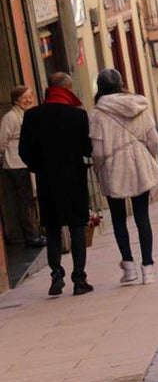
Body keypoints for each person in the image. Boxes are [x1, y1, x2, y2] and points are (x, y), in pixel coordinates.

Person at [19, 72, 93, 296]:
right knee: (77, 227)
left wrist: (38, 167)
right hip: (73, 178)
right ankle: (79, 279)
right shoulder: (78, 116)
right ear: (68, 88)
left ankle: (56, 274)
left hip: (47, 180)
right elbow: (86, 149)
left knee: (52, 229)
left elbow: (23, 150)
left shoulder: (32, 116)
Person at [90, 69, 158, 285]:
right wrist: (148, 159)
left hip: (114, 167)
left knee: (119, 219)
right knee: (143, 218)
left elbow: (98, 152)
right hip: (139, 162)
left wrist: (99, 169)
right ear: (122, 83)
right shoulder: (139, 105)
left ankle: (129, 267)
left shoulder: (97, 113)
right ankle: (148, 268)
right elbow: (154, 140)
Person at [0, 86, 45, 247]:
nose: (28, 100)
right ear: (15, 100)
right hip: (15, 164)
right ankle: (31, 236)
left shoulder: (28, 115)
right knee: (25, 201)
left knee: (30, 200)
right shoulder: (11, 117)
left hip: (27, 163)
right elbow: (2, 141)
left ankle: (35, 233)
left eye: (30, 97)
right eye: (24, 97)